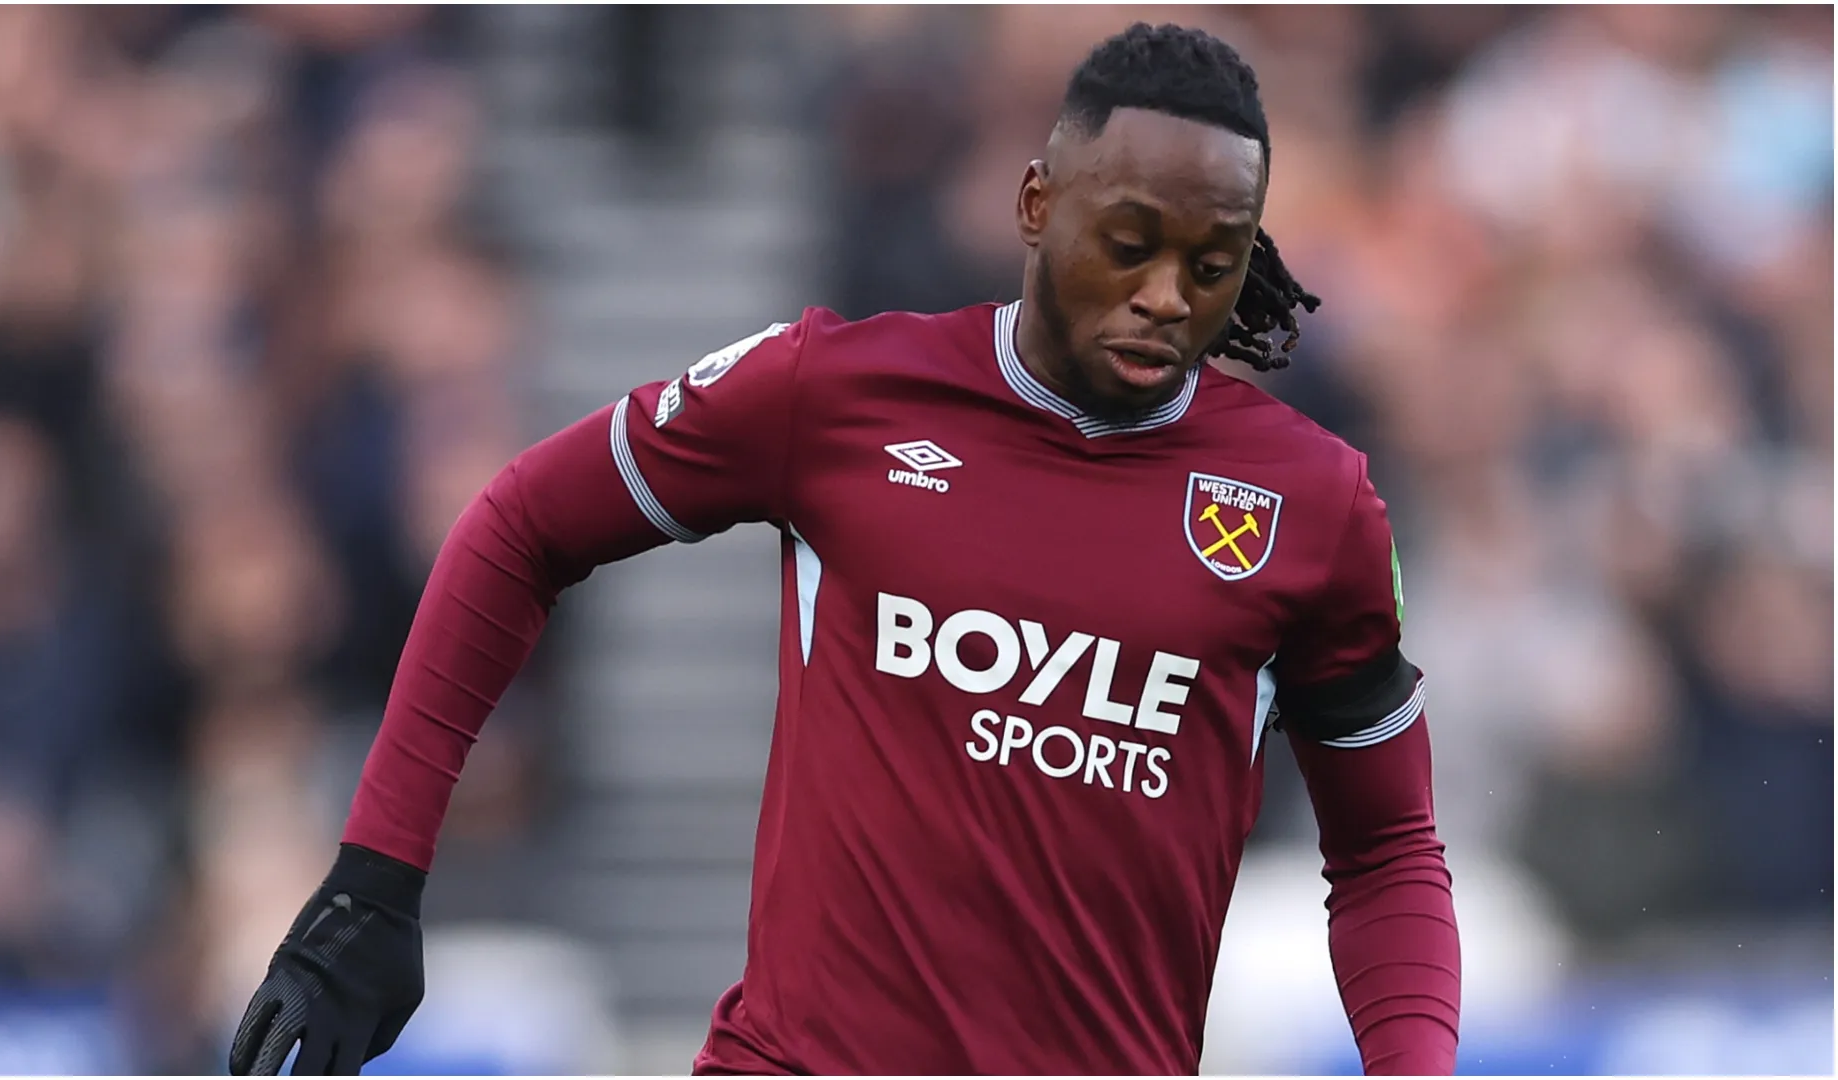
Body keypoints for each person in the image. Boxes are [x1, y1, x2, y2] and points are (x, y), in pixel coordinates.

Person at [228, 23, 1461, 1076]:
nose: (1164, 297)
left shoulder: (1313, 503)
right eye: (1127, 243)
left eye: (1213, 263)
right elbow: (519, 524)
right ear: (1036, 204)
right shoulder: (839, 394)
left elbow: (1389, 848)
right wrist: (375, 876)